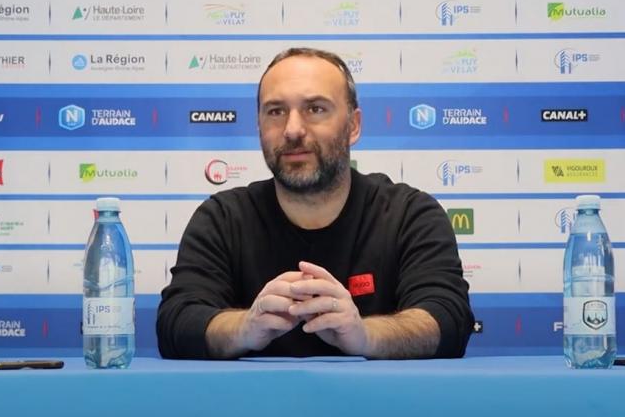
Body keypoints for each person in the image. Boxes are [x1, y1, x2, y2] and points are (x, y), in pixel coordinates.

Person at [157, 47, 473, 359]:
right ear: (259, 127)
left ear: (353, 126)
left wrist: (364, 336)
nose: (293, 130)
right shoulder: (223, 218)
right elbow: (177, 322)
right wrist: (244, 327)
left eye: (315, 109)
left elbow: (448, 320)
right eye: (276, 111)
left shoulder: (410, 215)